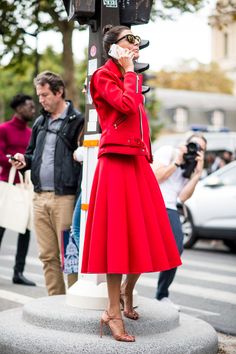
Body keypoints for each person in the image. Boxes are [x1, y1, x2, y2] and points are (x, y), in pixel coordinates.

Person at [81, 25, 182, 342]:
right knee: (116, 240)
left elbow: (139, 118)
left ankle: (127, 291)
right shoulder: (103, 76)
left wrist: (148, 155)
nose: (136, 46)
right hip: (115, 162)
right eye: (130, 40)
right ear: (113, 46)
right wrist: (128, 71)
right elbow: (125, 106)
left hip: (136, 161)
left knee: (142, 233)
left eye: (138, 41)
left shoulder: (131, 77)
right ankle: (112, 311)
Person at [10, 71, 84, 295]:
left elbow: (82, 159)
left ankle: (75, 300)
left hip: (65, 198)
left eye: (44, 95)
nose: (40, 100)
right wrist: (25, 160)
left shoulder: (77, 121)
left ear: (59, 92)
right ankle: (55, 302)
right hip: (40, 197)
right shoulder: (40, 122)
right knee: (47, 256)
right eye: (39, 95)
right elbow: (32, 154)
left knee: (69, 255)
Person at [152, 133, 207, 309]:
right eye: (193, 145)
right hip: (151, 203)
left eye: (200, 149)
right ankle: (124, 290)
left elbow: (182, 197)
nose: (194, 150)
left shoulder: (191, 169)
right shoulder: (168, 151)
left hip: (169, 207)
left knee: (176, 249)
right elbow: (156, 177)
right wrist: (177, 161)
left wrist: (197, 174)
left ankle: (161, 295)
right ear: (185, 143)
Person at [0, 94, 36, 286]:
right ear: (19, 108)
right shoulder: (4, 129)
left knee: (25, 228)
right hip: (7, 184)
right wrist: (11, 159)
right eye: (29, 106)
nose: (33, 110)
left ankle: (18, 272)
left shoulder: (31, 133)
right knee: (1, 227)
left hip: (25, 186)